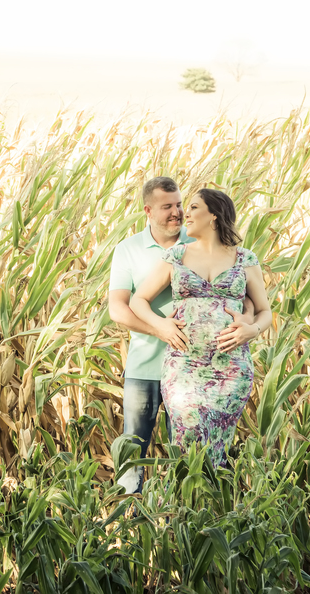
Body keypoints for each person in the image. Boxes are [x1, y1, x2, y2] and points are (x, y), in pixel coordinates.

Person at [108, 177, 258, 492]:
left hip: (210, 369)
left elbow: (244, 300)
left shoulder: (203, 243)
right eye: (168, 207)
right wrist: (160, 328)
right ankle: (127, 523)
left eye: (180, 204)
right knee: (134, 451)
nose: (177, 213)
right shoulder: (130, 250)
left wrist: (247, 322)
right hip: (149, 366)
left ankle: (199, 515)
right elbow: (119, 309)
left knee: (198, 450)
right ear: (148, 210)